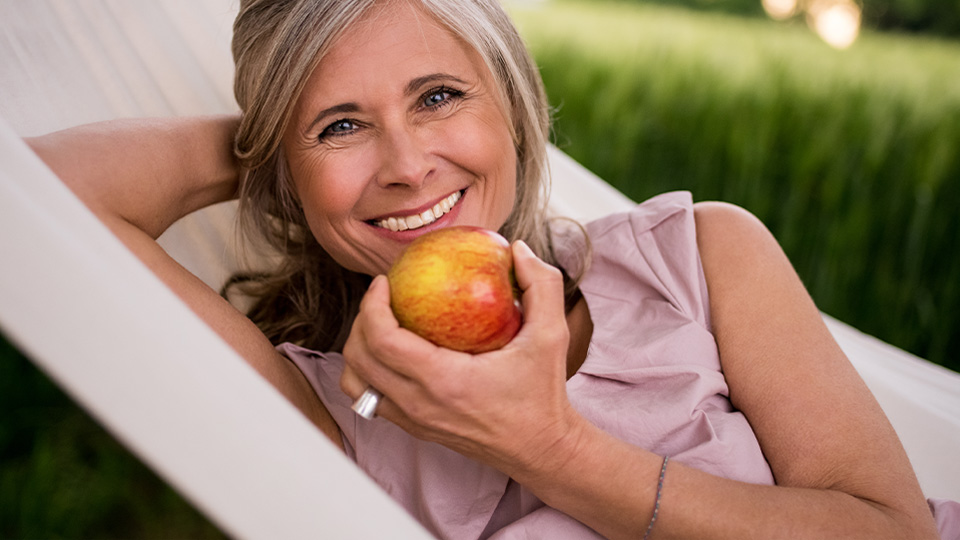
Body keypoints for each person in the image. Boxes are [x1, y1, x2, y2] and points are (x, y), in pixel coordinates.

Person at [25, 0, 959, 538]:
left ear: (515, 106)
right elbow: (35, 194)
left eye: (438, 97)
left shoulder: (697, 259)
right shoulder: (325, 411)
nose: (404, 164)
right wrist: (280, 149)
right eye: (343, 125)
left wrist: (550, 449)